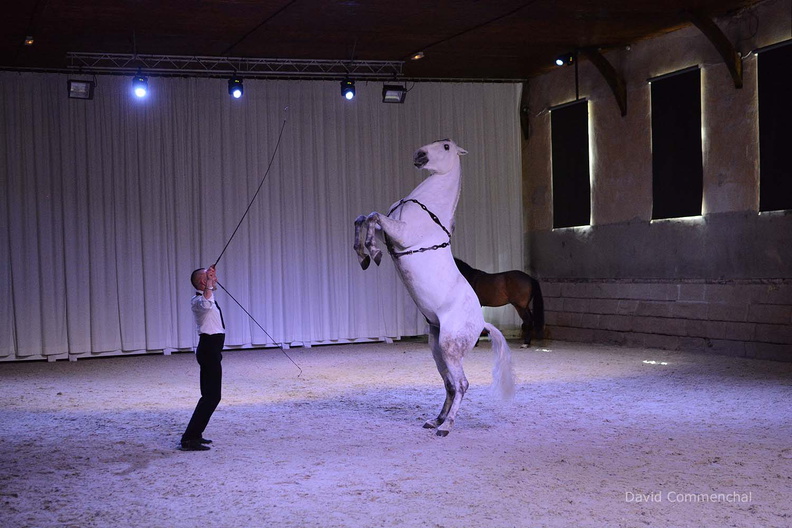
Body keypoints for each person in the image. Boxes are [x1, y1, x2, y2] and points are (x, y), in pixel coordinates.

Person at [180, 264, 225, 451]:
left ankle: (195, 434)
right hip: (208, 350)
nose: (214, 279)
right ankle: (190, 438)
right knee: (212, 396)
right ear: (202, 282)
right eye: (210, 277)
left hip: (212, 350)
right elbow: (206, 304)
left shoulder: (207, 298)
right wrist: (208, 284)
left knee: (210, 396)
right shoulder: (198, 301)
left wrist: (209, 281)